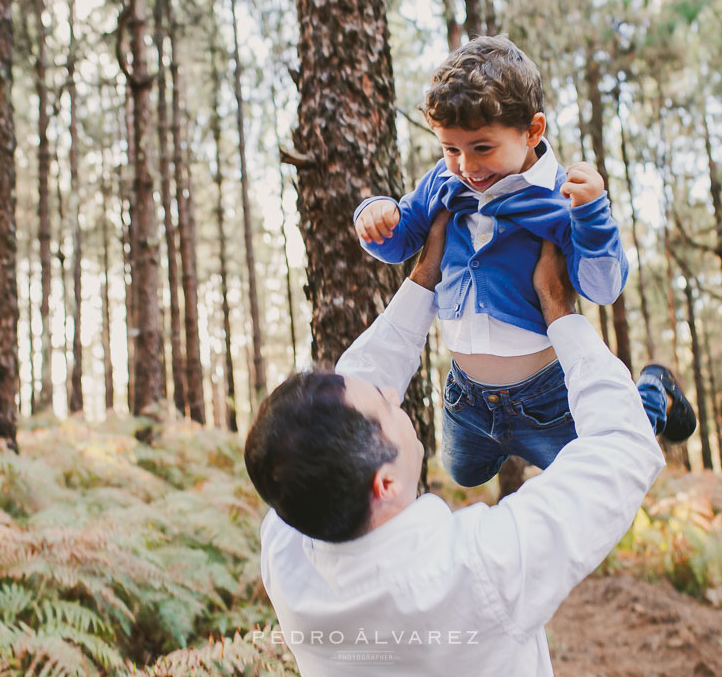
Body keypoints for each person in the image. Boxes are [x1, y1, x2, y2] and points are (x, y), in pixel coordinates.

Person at [243, 214, 689, 676]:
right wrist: (559, 307)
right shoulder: (481, 570)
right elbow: (621, 447)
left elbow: (357, 382)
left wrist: (424, 276)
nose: (393, 394)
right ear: (385, 482)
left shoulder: (288, 544)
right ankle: (656, 397)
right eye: (383, 406)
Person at [353, 36, 692, 488]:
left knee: (605, 463)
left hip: (548, 398)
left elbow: (603, 287)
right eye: (450, 148)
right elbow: (402, 238)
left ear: (532, 131)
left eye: (482, 148)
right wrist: (377, 218)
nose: (465, 166)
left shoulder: (561, 196)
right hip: (466, 398)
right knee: (462, 473)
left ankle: (652, 395)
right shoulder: (443, 180)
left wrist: (591, 216)